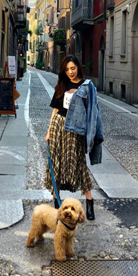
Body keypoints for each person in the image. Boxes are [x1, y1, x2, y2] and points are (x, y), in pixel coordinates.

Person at [44, 55, 103, 221]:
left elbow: (93, 111)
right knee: (56, 163)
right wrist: (48, 131)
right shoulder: (61, 85)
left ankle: (89, 203)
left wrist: (93, 134)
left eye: (73, 68)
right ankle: (57, 203)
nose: (70, 72)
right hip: (58, 127)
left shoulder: (86, 86)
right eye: (67, 69)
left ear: (78, 67)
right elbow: (55, 110)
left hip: (75, 131)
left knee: (79, 164)